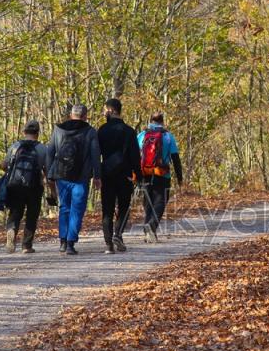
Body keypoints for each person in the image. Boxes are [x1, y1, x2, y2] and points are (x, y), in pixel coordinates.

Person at [46, 104, 101, 255]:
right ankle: (70, 243)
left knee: (64, 207)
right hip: (81, 177)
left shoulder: (58, 129)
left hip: (61, 175)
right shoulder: (90, 132)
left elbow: (50, 152)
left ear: (71, 115)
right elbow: (96, 155)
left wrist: (49, 175)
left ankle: (63, 241)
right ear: (85, 116)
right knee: (77, 209)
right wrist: (97, 176)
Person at [98, 98, 141, 253]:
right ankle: (118, 233)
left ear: (111, 110)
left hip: (107, 175)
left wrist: (97, 174)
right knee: (124, 207)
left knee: (107, 209)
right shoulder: (129, 131)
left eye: (104, 110)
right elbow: (136, 156)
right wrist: (139, 175)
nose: (103, 113)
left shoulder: (101, 130)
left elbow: (96, 154)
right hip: (125, 175)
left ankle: (108, 243)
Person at [1, 120, 48, 254]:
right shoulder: (42, 149)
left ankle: (11, 230)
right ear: (37, 133)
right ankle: (26, 246)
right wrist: (52, 189)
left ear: (24, 131)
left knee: (15, 212)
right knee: (32, 215)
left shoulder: (15, 146)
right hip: (34, 186)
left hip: (15, 185)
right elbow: (47, 171)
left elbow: (4, 165)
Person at [137, 112, 183, 243]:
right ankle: (151, 225)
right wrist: (180, 177)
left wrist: (135, 174)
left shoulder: (142, 135)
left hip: (145, 173)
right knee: (160, 202)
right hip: (162, 174)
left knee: (148, 202)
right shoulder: (168, 137)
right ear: (163, 121)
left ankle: (148, 233)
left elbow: (134, 155)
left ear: (150, 120)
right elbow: (175, 158)